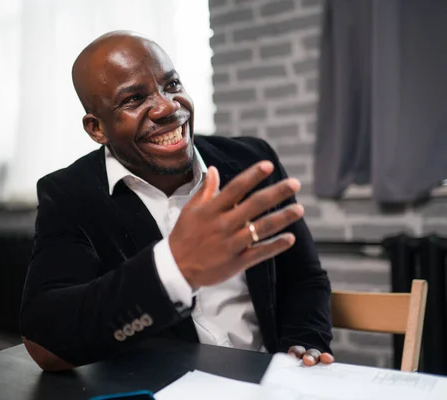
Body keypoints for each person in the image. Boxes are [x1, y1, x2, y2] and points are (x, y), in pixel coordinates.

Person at [20, 31, 334, 371]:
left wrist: (302, 346)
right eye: (134, 99)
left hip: (268, 380)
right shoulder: (70, 193)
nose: (169, 106)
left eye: (171, 85)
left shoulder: (250, 161)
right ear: (97, 128)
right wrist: (173, 269)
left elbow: (304, 278)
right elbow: (46, 338)